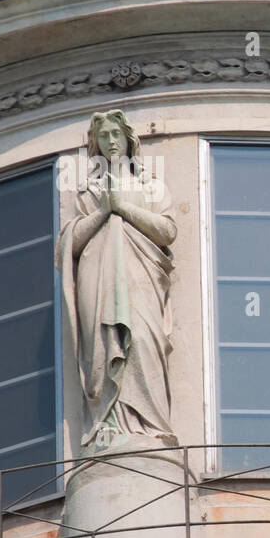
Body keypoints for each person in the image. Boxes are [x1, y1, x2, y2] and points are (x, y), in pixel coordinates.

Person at [56, 110, 178, 452]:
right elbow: (70, 243)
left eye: (116, 135)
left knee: (141, 338)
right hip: (98, 275)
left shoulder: (150, 186)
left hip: (141, 275)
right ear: (95, 145)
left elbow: (167, 230)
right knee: (101, 344)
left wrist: (122, 208)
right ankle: (106, 422)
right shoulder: (87, 191)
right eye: (104, 137)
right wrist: (102, 210)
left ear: (128, 140)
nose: (111, 142)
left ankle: (148, 426)